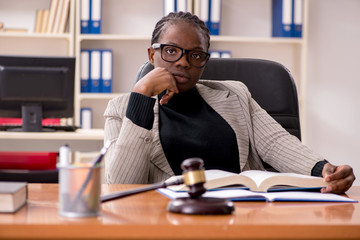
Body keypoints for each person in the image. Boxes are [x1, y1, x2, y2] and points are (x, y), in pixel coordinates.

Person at [104, 11, 355, 194]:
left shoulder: (236, 94)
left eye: (195, 55)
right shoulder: (120, 108)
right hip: (169, 218)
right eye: (171, 50)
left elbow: (276, 142)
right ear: (152, 54)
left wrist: (323, 169)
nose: (182, 62)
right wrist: (141, 96)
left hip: (244, 215)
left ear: (205, 61)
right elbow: (121, 183)